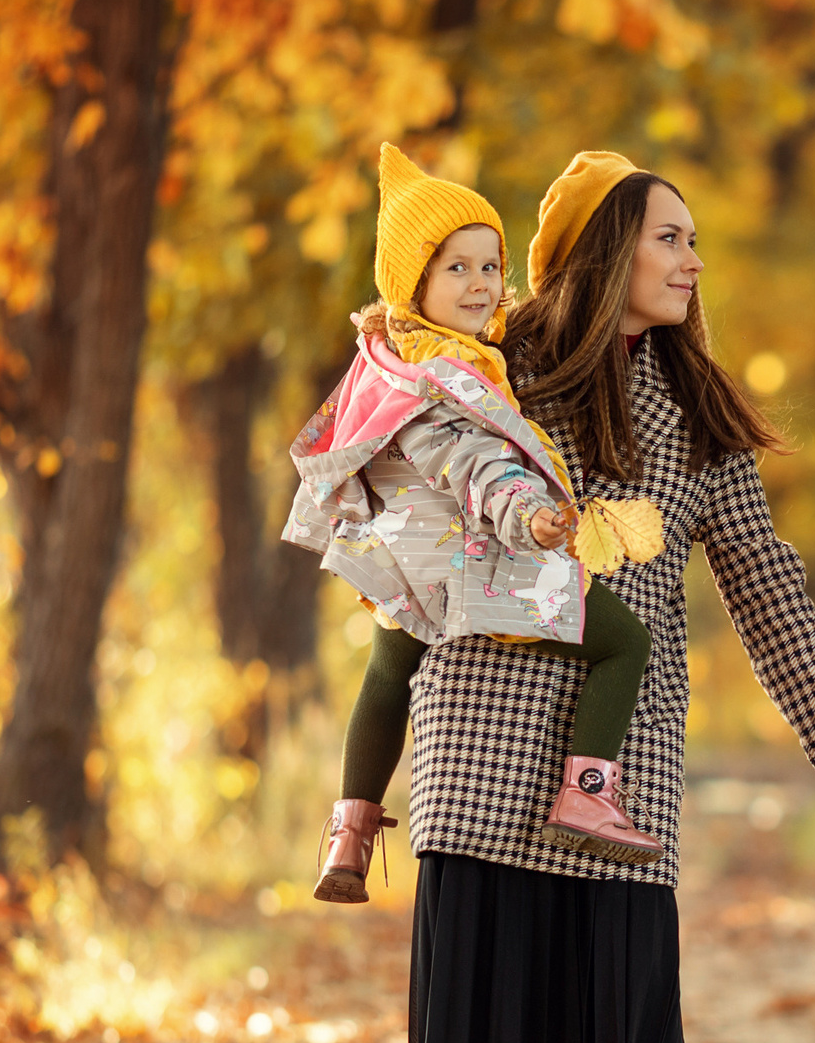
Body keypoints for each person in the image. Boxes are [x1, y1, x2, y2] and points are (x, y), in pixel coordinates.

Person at [399, 150, 815, 1043]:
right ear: (604, 250)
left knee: (629, 1009)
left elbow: (767, 586)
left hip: (621, 754)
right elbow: (398, 422)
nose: (691, 259)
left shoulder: (697, 412)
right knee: (511, 991)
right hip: (483, 714)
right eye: (669, 236)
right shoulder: (497, 370)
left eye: (692, 238)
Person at [286, 145, 668, 903]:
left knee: (388, 670)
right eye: (455, 267)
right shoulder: (447, 375)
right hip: (478, 559)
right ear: (411, 279)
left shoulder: (392, 356)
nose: (480, 284)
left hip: (406, 555)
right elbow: (472, 463)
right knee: (625, 641)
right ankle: (587, 790)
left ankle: (350, 830)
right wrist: (533, 518)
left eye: (490, 266)